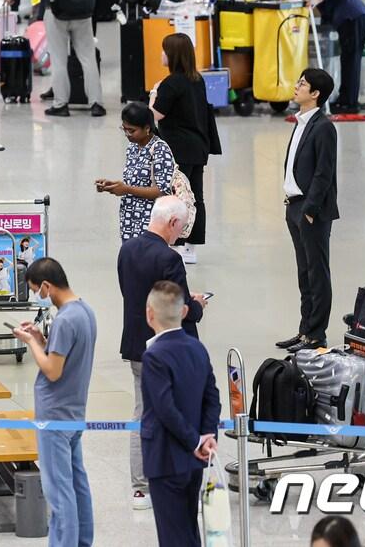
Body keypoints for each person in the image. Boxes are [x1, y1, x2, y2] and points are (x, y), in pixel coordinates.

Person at [117, 197, 206, 511]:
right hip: (168, 349)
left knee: (142, 412)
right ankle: (175, 478)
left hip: (136, 346)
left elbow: (134, 294)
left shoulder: (126, 250)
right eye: (181, 228)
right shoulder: (169, 258)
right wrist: (197, 305)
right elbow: (181, 310)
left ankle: (139, 488)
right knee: (177, 411)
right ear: (171, 223)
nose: (180, 235)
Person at [10, 258, 95, 547]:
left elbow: (52, 370)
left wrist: (30, 342)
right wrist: (41, 338)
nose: (38, 295)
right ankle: (82, 540)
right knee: (77, 484)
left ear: (47, 286)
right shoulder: (85, 312)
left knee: (58, 491)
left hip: (54, 414)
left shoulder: (65, 319)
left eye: (37, 290)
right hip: (74, 411)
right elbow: (62, 356)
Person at [140, 280, 221, 547]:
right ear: (184, 312)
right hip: (193, 461)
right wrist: (207, 435)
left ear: (149, 313)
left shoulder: (154, 356)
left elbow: (165, 409)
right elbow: (212, 396)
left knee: (173, 535)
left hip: (165, 458)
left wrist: (194, 441)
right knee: (188, 529)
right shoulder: (197, 348)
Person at [278, 68, 339, 353]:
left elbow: (324, 173)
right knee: (304, 272)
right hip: (294, 205)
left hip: (310, 209)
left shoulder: (324, 126)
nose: (297, 86)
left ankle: (317, 334)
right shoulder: (302, 122)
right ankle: (305, 330)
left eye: (302, 84)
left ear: (315, 94)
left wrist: (310, 210)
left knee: (317, 272)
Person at [150, 34, 217, 260]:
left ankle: (175, 243)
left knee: (176, 197)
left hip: (177, 149)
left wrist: (153, 96)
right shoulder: (196, 79)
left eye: (164, 51)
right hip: (198, 146)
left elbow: (156, 114)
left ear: (173, 55)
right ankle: (191, 247)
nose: (161, 54)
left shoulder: (170, 84)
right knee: (195, 196)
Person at [282, 0, 365, 115]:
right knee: (348, 60)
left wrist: (315, 0)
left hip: (352, 17)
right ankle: (346, 100)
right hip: (352, 19)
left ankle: (349, 103)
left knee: (351, 61)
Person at [98, 102, 176, 242]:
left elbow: (162, 190)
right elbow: (133, 181)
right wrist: (113, 186)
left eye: (132, 130)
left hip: (151, 220)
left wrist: (127, 189)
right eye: (124, 129)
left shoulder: (160, 150)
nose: (127, 134)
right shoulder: (132, 147)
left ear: (147, 128)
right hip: (129, 219)